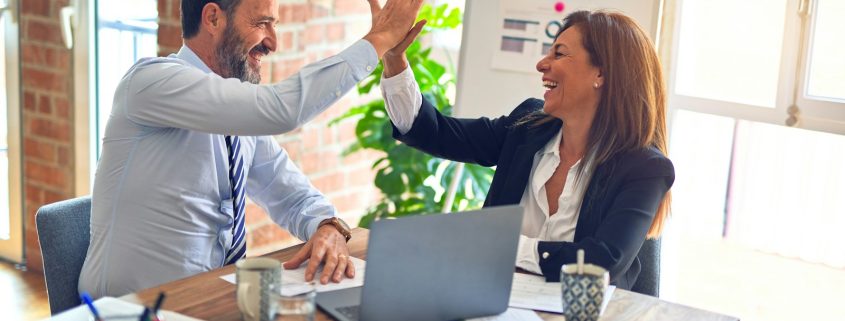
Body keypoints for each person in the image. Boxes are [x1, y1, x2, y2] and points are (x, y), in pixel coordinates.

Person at [79, 0, 424, 298]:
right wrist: (377, 41)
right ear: (213, 19)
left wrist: (327, 226)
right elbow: (280, 110)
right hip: (130, 310)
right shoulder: (150, 83)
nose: (273, 43)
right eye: (261, 24)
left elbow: (293, 196)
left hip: (208, 300)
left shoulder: (235, 115)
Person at [379, 10, 674, 290]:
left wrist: (501, 245)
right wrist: (394, 58)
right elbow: (433, 132)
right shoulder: (527, 127)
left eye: (559, 53)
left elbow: (601, 262)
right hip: (493, 303)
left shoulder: (645, 168)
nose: (542, 64)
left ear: (601, 74)